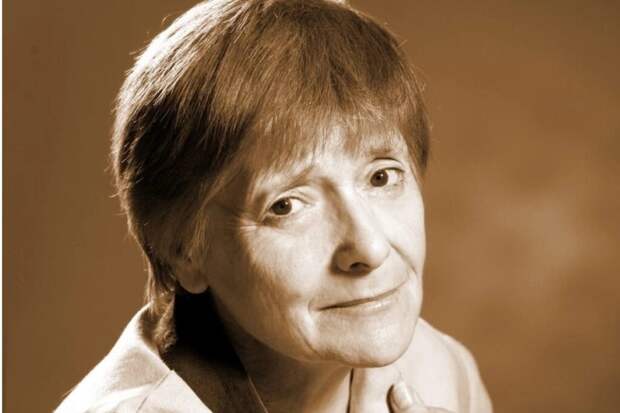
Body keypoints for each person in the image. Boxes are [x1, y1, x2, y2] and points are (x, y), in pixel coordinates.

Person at [56, 0, 492, 412]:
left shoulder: (442, 370)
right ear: (184, 251)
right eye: (286, 206)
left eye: (381, 177)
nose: (370, 248)